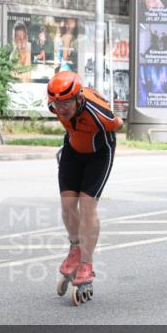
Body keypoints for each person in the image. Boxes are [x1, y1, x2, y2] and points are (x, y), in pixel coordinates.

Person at [46, 71, 123, 306]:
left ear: (79, 98)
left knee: (87, 205)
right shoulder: (56, 107)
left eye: (66, 102)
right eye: (57, 103)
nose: (61, 108)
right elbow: (66, 118)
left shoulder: (99, 112)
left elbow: (117, 124)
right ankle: (75, 249)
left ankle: (87, 264)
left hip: (99, 153)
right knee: (68, 204)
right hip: (72, 150)